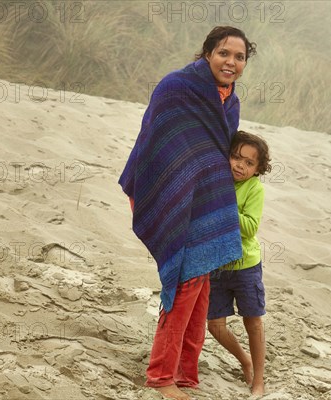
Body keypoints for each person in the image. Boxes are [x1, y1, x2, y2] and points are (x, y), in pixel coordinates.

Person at [118, 27, 256, 400]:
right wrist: (179, 183)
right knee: (184, 279)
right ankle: (162, 376)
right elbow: (158, 143)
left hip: (205, 197)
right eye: (224, 53)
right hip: (166, 190)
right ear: (208, 53)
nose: (231, 62)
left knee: (201, 280)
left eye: (239, 57)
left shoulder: (231, 101)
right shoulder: (176, 87)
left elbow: (217, 151)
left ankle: (186, 372)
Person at [207, 130, 272, 396]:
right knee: (215, 325)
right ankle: (243, 360)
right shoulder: (216, 180)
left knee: (252, 322)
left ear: (258, 169)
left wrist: (225, 203)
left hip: (246, 265)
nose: (240, 165)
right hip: (217, 266)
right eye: (236, 157)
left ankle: (259, 379)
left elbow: (249, 227)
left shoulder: (255, 188)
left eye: (249, 163)